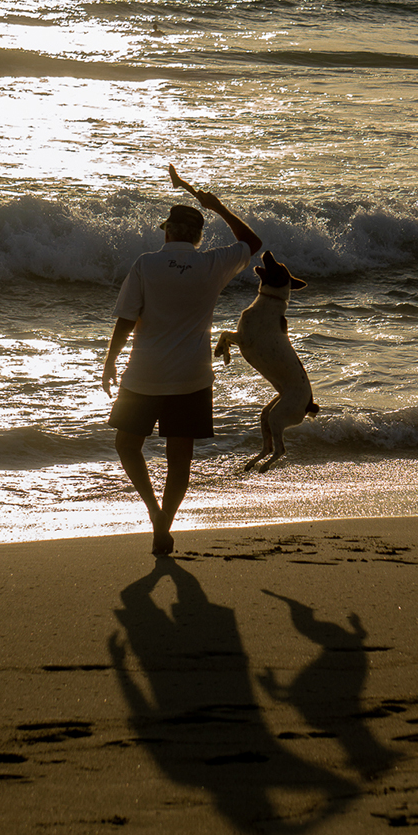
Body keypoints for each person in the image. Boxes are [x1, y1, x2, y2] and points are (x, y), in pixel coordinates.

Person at [102, 170, 262, 556]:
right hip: (192, 377)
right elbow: (252, 242)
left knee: (127, 444)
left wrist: (110, 361)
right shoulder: (212, 265)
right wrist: (219, 205)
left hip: (144, 373)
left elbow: (126, 318)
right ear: (197, 237)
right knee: (179, 458)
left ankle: (154, 513)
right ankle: (164, 522)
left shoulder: (146, 264)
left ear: (167, 233)